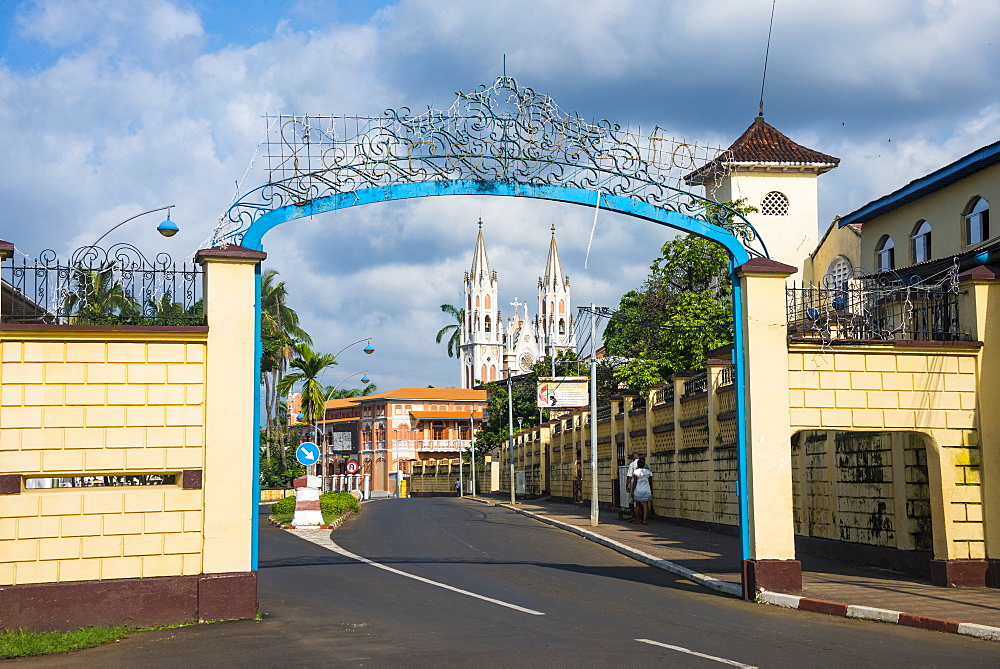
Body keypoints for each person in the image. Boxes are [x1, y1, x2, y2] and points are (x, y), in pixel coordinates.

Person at [630, 457, 653, 525]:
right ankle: (645, 520)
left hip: (638, 490)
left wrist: (632, 490)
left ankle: (638, 519)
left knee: (638, 505)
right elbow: (650, 482)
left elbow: (635, 482)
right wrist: (651, 490)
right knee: (645, 505)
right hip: (646, 489)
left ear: (638, 465)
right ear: (644, 464)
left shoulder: (636, 472)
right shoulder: (649, 472)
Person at [625, 452, 640, 522]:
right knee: (640, 502)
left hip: (633, 485)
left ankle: (633, 517)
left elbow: (629, 476)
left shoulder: (632, 464)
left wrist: (627, 485)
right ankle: (640, 518)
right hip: (643, 485)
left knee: (631, 502)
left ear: (633, 458)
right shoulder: (644, 464)